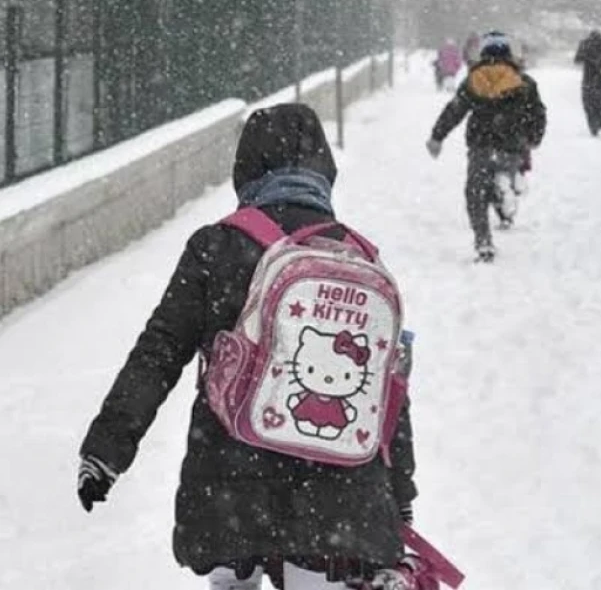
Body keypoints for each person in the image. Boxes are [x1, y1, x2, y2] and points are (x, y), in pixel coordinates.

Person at [76, 104, 419, 589]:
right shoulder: (358, 257)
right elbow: (388, 392)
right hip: (337, 495)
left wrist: (106, 450)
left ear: (246, 169)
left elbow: (159, 353)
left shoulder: (216, 247)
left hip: (229, 481)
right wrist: (398, 490)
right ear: (324, 170)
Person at [426, 31, 547, 263]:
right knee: (503, 174)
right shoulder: (525, 83)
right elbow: (537, 115)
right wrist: (533, 138)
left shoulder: (474, 80)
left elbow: (455, 110)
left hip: (481, 144)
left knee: (475, 193)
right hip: (512, 145)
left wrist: (437, 137)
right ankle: (508, 186)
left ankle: (483, 241)